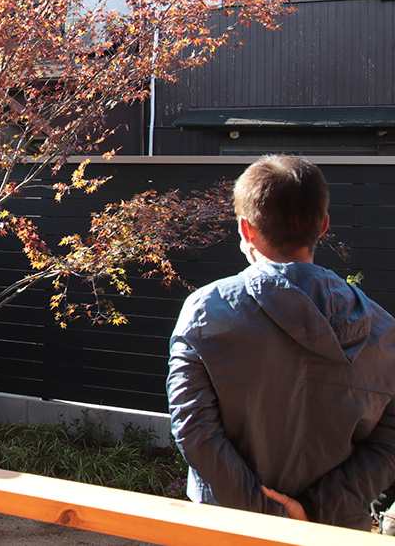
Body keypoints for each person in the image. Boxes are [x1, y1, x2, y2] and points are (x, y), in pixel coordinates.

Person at [167, 154, 395, 529]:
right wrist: (314, 513)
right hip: (333, 532)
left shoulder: (205, 311)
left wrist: (267, 514)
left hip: (228, 526)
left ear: (246, 229)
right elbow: (387, 446)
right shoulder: (383, 329)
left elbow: (194, 430)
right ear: (323, 226)